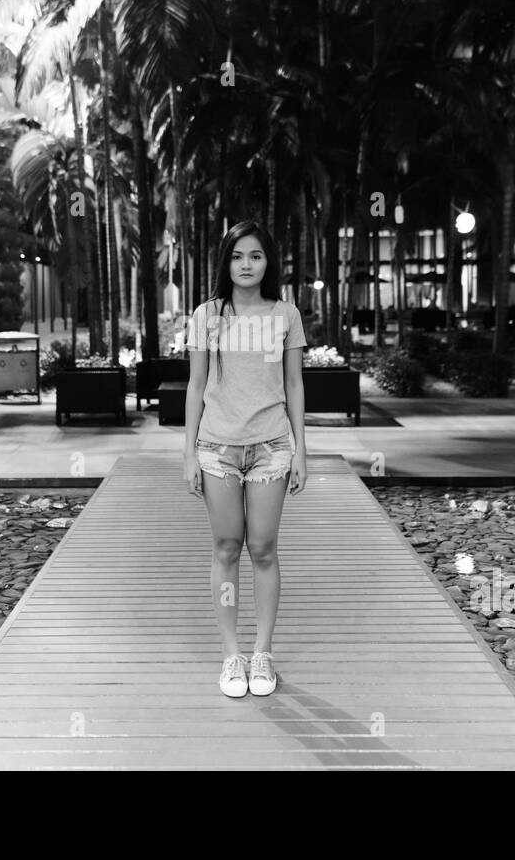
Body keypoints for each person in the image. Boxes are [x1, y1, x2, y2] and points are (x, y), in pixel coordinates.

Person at [183, 221, 308, 698]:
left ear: (268, 261)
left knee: (263, 548)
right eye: (238, 256)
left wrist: (300, 449)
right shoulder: (206, 315)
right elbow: (196, 386)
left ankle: (262, 653)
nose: (247, 265)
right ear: (226, 262)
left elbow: (295, 385)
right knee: (226, 548)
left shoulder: (286, 315)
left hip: (272, 445)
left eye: (255, 256)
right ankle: (231, 655)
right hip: (216, 446)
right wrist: (188, 451)